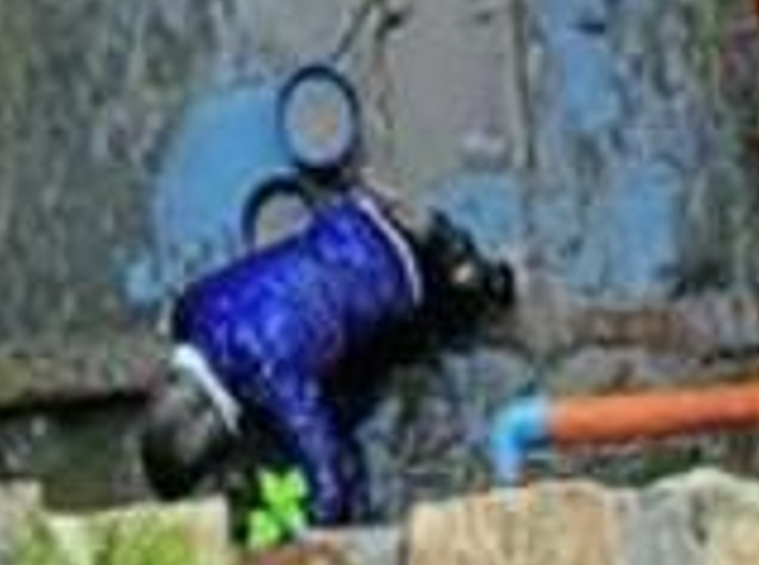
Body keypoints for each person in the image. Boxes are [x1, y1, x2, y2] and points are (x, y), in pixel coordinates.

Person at [140, 190, 516, 527]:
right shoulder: (190, 312)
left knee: (451, 316)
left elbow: (329, 478)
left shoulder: (271, 376)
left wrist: (303, 526)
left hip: (402, 269)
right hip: (353, 216)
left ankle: (487, 285)